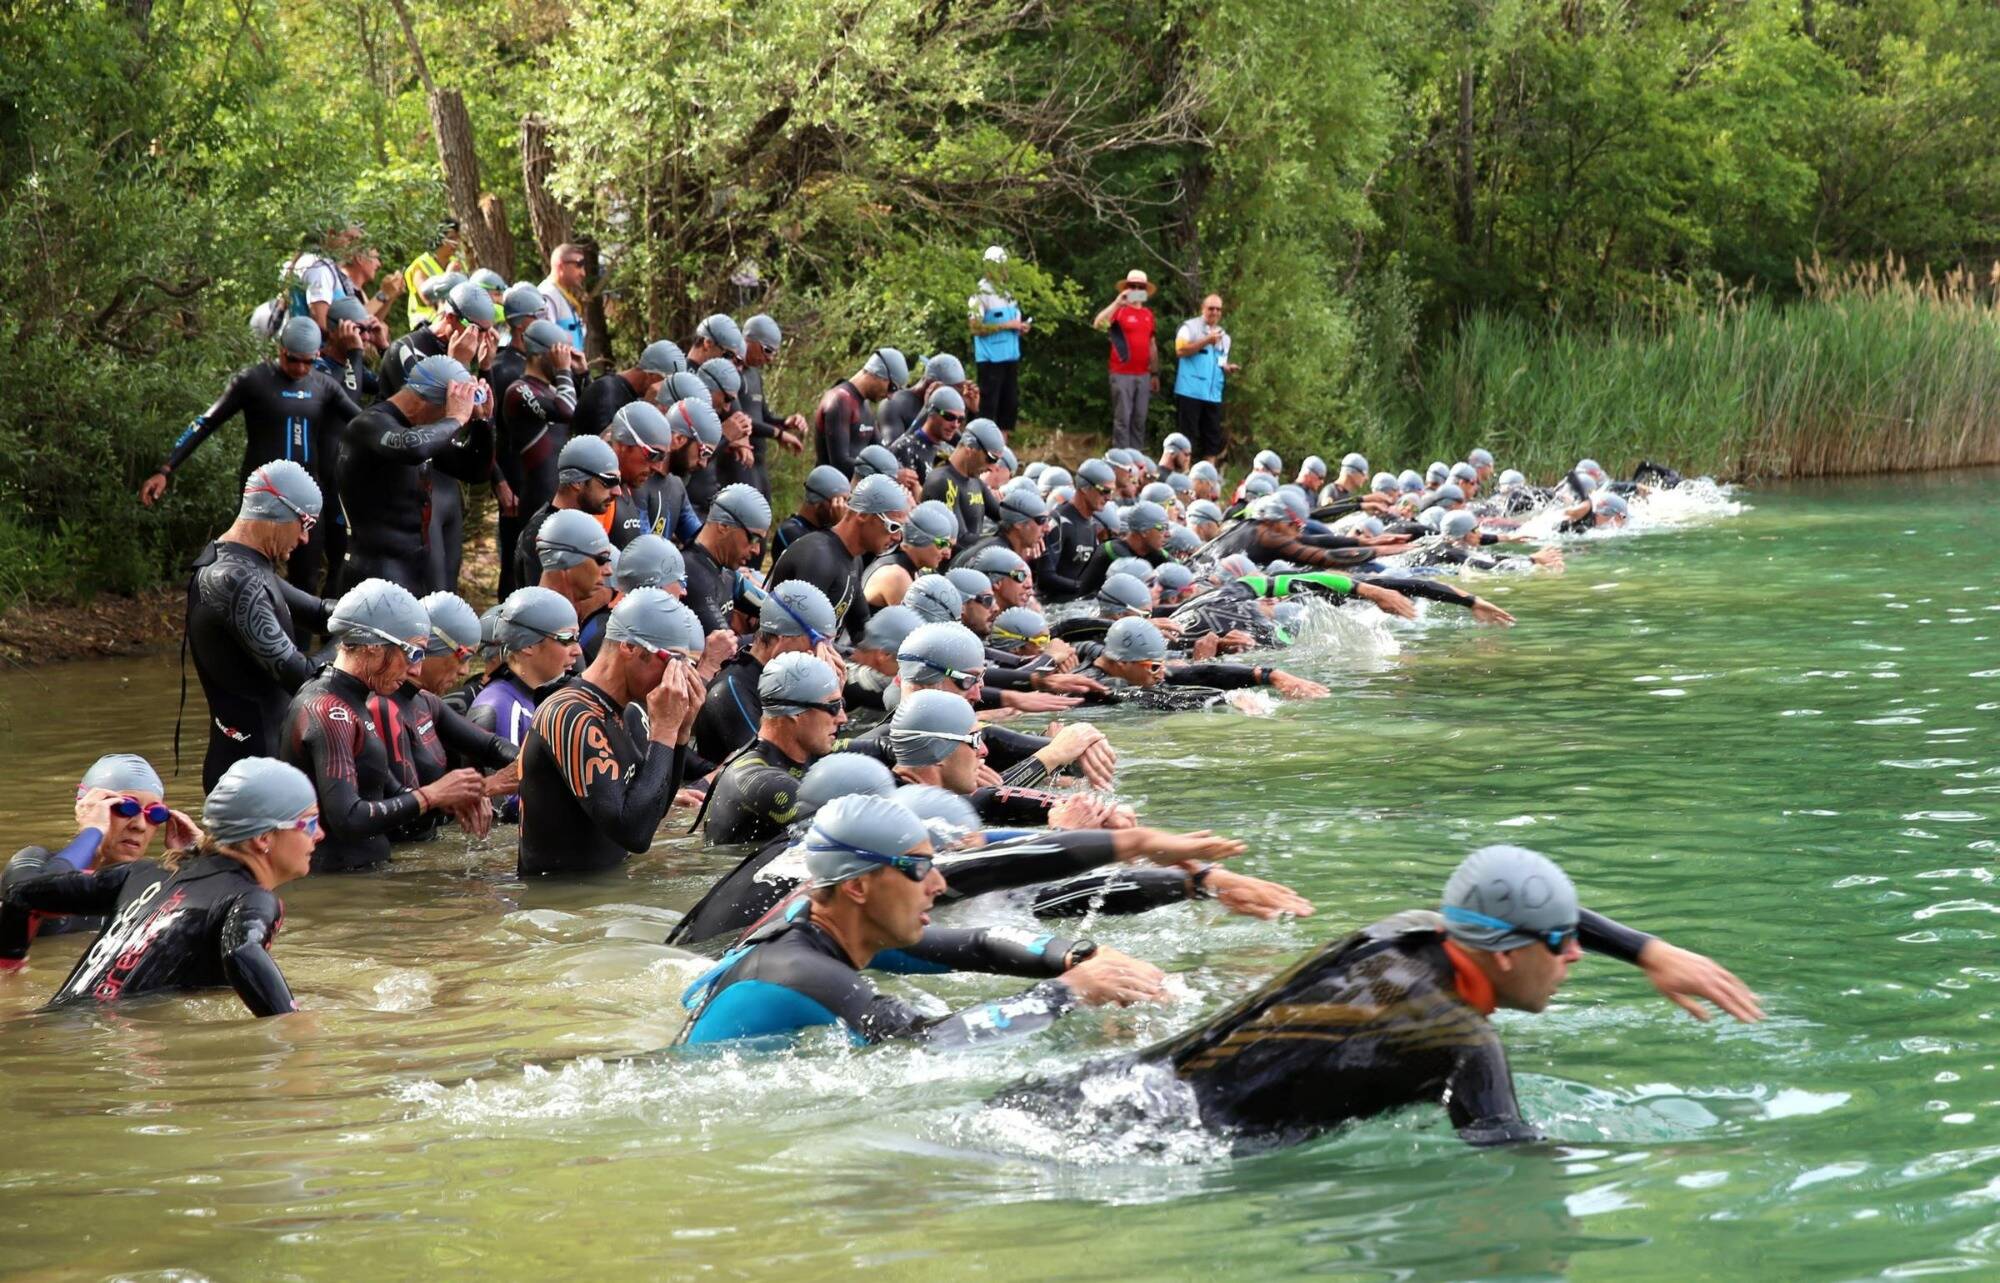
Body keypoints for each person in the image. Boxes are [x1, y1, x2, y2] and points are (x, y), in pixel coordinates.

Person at [994, 843, 1763, 1150]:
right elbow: (1514, 1156)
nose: (1572, 954)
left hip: (1096, 1091)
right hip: (1129, 1150)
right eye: (1558, 943)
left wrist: (1648, 951)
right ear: (1500, 952)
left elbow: (1504, 892)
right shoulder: (1458, 1041)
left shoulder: (1400, 932)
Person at [677, 794, 1164, 1047]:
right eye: (919, 869)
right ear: (859, 886)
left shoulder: (839, 928)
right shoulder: (801, 971)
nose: (938, 884)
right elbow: (926, 1040)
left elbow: (976, 945)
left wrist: (1079, 958)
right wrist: (1067, 992)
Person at [0, 757, 322, 1017]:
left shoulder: (143, 874)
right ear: (264, 837)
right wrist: (296, 1030)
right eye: (309, 823)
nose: (319, 834)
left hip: (52, 1021)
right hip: (101, 1044)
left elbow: (22, 897)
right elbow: (241, 952)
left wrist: (9, 975)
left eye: (154, 813)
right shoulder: (251, 898)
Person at [140, 317, 361, 592]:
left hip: (305, 499)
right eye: (293, 360)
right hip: (262, 496)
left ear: (317, 356)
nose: (300, 368)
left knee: (305, 581)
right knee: (251, 578)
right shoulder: (254, 380)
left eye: (308, 361)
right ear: (280, 350)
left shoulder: (323, 385)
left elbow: (363, 423)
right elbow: (206, 422)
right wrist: (166, 469)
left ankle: (292, 637)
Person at [282, 579, 485, 872]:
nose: (416, 669)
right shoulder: (328, 710)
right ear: (374, 648)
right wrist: (431, 795)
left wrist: (447, 801)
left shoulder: (354, 700)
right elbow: (348, 818)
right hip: (339, 895)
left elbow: (387, 791)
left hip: (365, 884)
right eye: (413, 654)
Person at [516, 589, 706, 876]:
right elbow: (634, 834)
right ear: (629, 648)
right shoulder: (570, 714)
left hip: (600, 900)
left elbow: (653, 811)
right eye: (673, 662)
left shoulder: (622, 712)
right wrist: (665, 729)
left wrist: (680, 733)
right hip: (559, 911)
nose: (677, 678)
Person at [185, 461, 336, 790]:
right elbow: (303, 677)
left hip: (267, 771)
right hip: (250, 780)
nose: (305, 537)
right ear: (276, 511)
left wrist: (385, 607)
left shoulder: (247, 565)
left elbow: (321, 613)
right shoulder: (231, 579)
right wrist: (361, 636)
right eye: (304, 522)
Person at [337, 354, 493, 595]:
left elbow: (475, 470)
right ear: (427, 402)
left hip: (414, 573)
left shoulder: (418, 429)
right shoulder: (368, 425)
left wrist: (482, 422)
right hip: (373, 575)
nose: (447, 430)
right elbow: (412, 447)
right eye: (445, 413)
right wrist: (455, 419)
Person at [2, 755, 195, 946]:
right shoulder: (34, 862)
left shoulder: (152, 885)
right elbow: (30, 894)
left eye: (156, 814)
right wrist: (92, 831)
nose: (141, 825)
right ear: (89, 809)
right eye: (125, 807)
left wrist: (193, 861)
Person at [375, 592, 517, 835]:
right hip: (396, 860)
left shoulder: (426, 702)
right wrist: (477, 791)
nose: (464, 671)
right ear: (429, 647)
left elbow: (491, 746)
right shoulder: (381, 707)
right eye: (463, 657)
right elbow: (403, 811)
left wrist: (521, 766)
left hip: (423, 848)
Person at [699, 653, 849, 845]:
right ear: (796, 713)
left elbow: (881, 745)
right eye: (833, 707)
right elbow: (840, 830)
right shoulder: (753, 776)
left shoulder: (808, 750)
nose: (843, 718)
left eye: (842, 704)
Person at [692, 581, 840, 766]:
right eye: (818, 642)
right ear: (783, 640)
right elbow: (774, 767)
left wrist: (833, 697)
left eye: (829, 644)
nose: (823, 653)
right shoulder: (730, 692)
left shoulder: (789, 680)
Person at [767, 474, 910, 643]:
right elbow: (795, 639)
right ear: (863, 515)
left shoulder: (853, 559)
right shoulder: (818, 557)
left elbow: (861, 630)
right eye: (893, 527)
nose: (898, 538)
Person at [495, 319, 579, 595]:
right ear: (543, 354)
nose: (563, 360)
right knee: (527, 575)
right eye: (559, 354)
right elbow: (566, 410)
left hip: (558, 494)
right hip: (535, 494)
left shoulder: (551, 391)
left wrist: (581, 373)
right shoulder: (519, 389)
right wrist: (566, 370)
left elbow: (577, 415)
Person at [469, 587, 583, 754]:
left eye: (577, 638)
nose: (578, 651)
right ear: (528, 645)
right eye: (566, 639)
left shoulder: (541, 696)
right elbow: (505, 779)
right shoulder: (500, 708)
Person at [511, 434, 623, 593]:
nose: (617, 491)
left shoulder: (574, 526)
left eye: (619, 482)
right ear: (577, 482)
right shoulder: (545, 532)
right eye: (609, 482)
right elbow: (542, 607)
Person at [728, 313, 808, 497]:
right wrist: (778, 433)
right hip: (738, 460)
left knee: (764, 518)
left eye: (773, 352)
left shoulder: (754, 374)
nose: (770, 358)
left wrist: (785, 423)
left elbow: (763, 417)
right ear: (748, 340)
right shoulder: (730, 373)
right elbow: (741, 421)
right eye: (767, 350)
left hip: (758, 461)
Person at [684, 484, 773, 634]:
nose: (757, 550)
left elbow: (777, 609)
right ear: (724, 525)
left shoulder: (725, 571)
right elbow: (725, 649)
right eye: (753, 539)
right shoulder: (691, 574)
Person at [1094, 268, 1158, 452]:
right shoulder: (1119, 311)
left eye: (1140, 286)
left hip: (1143, 373)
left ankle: (1136, 459)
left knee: (1139, 418)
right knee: (1123, 418)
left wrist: (1155, 373)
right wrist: (1117, 302)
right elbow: (1098, 324)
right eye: (1132, 286)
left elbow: (1152, 344)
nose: (1136, 289)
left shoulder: (1148, 314)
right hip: (1121, 372)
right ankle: (1120, 460)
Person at [814, 348, 907, 474]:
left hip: (852, 490)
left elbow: (884, 453)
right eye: (892, 387)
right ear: (876, 374)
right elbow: (839, 464)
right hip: (830, 490)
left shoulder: (864, 405)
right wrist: (891, 474)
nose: (890, 396)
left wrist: (902, 472)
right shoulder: (840, 400)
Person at [967, 246, 1027, 433]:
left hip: (1010, 357)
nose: (1003, 270)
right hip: (990, 360)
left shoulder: (1008, 292)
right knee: (986, 407)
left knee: (1009, 407)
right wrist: (1005, 326)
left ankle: (1002, 452)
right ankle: (979, 450)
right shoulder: (979, 293)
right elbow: (975, 327)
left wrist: (1020, 327)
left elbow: (1013, 321)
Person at [533, 507, 616, 642]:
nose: (609, 571)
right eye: (601, 560)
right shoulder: (540, 629)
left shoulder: (558, 621)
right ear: (565, 559)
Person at [1173, 294, 1239, 461]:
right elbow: (1180, 351)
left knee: (1212, 438)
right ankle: (1183, 473)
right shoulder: (1189, 328)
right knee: (1188, 437)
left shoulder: (1224, 337)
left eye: (1218, 309)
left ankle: (1207, 477)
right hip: (1191, 391)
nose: (1215, 312)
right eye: (1211, 308)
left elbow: (1220, 361)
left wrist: (1227, 367)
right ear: (1203, 309)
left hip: (1213, 394)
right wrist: (1206, 341)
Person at [922, 417, 1004, 540]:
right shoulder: (942, 482)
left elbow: (1006, 517)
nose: (993, 468)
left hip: (971, 557)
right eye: (991, 459)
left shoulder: (976, 481)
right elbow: (958, 541)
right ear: (970, 449)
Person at [863, 500, 957, 607]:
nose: (947, 554)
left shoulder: (910, 569)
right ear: (920, 539)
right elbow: (916, 622)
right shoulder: (896, 575)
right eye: (942, 543)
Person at [771, 466, 852, 564]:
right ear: (817, 501)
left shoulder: (827, 529)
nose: (844, 508)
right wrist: (841, 528)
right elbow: (823, 565)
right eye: (839, 502)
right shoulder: (790, 532)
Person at [537, 243, 591, 373]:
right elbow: (547, 342)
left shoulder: (563, 294)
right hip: (558, 374)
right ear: (560, 266)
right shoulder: (547, 295)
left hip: (572, 371)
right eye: (578, 266)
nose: (583, 273)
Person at [403, 219, 462, 330]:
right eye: (451, 238)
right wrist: (449, 276)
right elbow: (427, 298)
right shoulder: (421, 265)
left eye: (458, 238)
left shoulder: (456, 262)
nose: (456, 242)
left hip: (449, 323)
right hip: (425, 325)